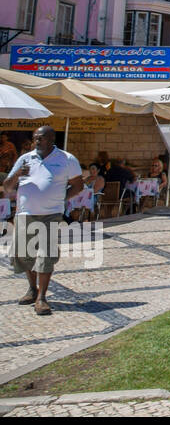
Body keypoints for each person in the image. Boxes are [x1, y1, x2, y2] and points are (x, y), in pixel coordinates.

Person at [4, 125, 84, 315]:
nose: (37, 141)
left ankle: (42, 297)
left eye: (40, 138)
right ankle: (32, 289)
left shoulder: (66, 159)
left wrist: (60, 199)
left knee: (45, 255)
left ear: (51, 139)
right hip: (25, 213)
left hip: (51, 214)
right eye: (35, 138)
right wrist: (17, 175)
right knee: (25, 255)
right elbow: (7, 187)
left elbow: (78, 185)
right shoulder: (25, 159)